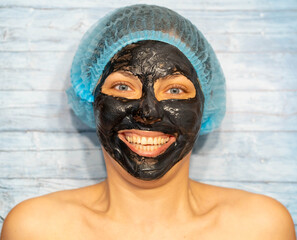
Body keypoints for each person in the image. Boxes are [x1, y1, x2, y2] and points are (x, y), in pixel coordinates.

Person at [1, 4, 295, 240]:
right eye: (123, 87)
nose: (148, 113)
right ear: (92, 100)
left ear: (204, 106)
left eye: (175, 90)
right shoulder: (35, 230)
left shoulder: (261, 228)